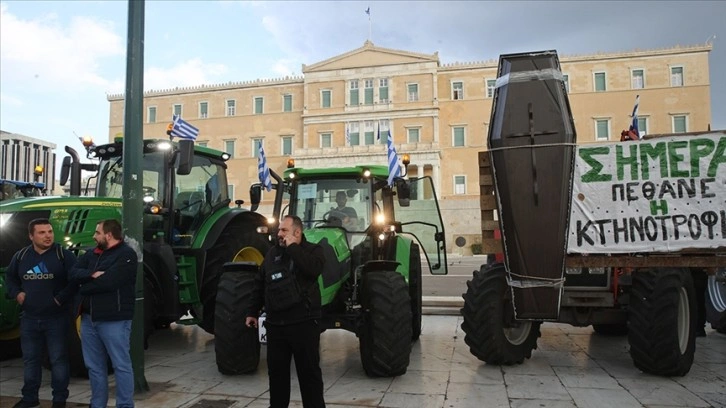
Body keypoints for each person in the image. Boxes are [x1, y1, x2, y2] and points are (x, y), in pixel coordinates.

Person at [245, 215, 326, 408]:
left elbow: (313, 269)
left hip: (304, 325)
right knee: (277, 377)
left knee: (309, 376)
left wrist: (293, 248)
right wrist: (252, 311)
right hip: (276, 326)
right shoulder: (272, 254)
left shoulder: (313, 251)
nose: (279, 234)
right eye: (279, 230)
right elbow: (260, 283)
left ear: (297, 233)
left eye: (284, 230)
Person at [5, 218, 77, 408]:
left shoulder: (64, 255)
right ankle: (30, 398)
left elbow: (75, 281)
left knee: (58, 360)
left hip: (56, 319)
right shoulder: (20, 257)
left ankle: (59, 400)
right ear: (31, 236)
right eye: (42, 233)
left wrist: (59, 299)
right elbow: (10, 278)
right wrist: (17, 293)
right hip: (29, 319)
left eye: (50, 232)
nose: (48, 236)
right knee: (30, 361)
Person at [70, 219, 137, 408]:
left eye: (97, 232)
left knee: (120, 365)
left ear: (108, 235)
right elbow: (73, 272)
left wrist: (84, 285)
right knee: (94, 366)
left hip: (114, 320)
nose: (94, 236)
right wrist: (91, 275)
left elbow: (108, 282)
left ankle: (124, 405)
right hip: (89, 319)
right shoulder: (92, 253)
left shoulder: (126, 255)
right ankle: (97, 404)